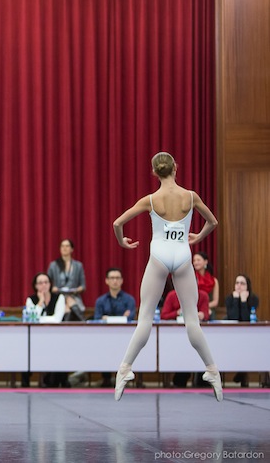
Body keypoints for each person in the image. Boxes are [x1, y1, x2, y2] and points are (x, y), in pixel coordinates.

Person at [112, 151, 222, 401]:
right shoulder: (191, 196)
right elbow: (213, 222)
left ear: (154, 173)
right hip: (183, 256)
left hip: (158, 257)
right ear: (176, 168)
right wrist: (198, 236)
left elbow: (117, 224)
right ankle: (212, 369)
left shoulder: (150, 200)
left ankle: (125, 368)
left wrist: (123, 243)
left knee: (145, 320)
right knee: (192, 321)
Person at [93, 268, 137, 387]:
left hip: (125, 337)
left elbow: (130, 317)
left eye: (117, 278)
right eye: (112, 278)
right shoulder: (101, 301)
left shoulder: (129, 299)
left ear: (122, 281)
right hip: (105, 337)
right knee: (103, 347)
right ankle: (106, 378)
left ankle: (125, 376)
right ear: (107, 281)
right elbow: (97, 318)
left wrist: (106, 318)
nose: (115, 281)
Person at [22, 272, 67, 387]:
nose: (44, 285)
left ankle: (58, 379)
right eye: (40, 283)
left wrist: (40, 318)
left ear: (50, 284)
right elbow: (32, 319)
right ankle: (25, 380)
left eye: (46, 282)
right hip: (35, 337)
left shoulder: (59, 297)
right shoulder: (31, 300)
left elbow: (58, 319)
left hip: (55, 337)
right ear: (35, 286)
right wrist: (40, 302)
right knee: (25, 348)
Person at [160, 289, 210, 388]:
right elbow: (164, 315)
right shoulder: (172, 295)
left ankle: (201, 378)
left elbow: (206, 314)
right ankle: (180, 377)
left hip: (196, 333)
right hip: (176, 336)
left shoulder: (203, 295)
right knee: (182, 349)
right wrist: (177, 313)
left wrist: (202, 315)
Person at [225, 274, 260, 387]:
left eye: (242, 283)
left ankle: (242, 373)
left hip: (248, 334)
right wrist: (236, 300)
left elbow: (246, 319)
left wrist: (244, 301)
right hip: (231, 334)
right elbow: (233, 317)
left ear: (247, 286)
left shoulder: (253, 299)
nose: (239, 286)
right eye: (237, 283)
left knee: (247, 346)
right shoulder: (230, 298)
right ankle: (242, 373)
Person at [47, 239, 86, 320]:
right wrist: (53, 288)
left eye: (67, 246)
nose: (64, 248)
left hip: (73, 295)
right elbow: (48, 283)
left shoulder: (78, 266)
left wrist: (78, 289)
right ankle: (83, 321)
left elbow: (83, 285)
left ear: (72, 249)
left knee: (69, 301)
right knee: (66, 304)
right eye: (62, 246)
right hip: (58, 296)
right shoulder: (53, 265)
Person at [193, 251, 219, 318]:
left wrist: (204, 307)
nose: (196, 262)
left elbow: (215, 302)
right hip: (194, 308)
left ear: (205, 262)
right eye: (194, 260)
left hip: (208, 307)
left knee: (209, 313)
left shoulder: (214, 281)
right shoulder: (192, 279)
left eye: (198, 260)